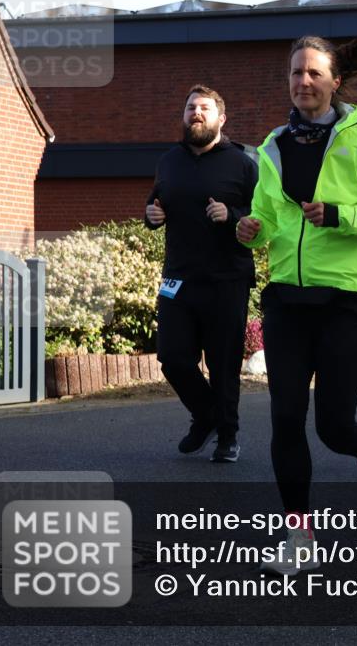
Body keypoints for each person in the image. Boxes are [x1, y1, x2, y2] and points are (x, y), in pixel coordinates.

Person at [235, 33, 357, 575]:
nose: (303, 82)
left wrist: (340, 215)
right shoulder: (272, 146)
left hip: (346, 298)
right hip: (287, 296)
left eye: (314, 73)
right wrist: (250, 230)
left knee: (334, 425)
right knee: (286, 418)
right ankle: (299, 536)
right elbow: (266, 220)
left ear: (335, 81)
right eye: (295, 74)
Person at [144, 85, 256, 463]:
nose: (196, 113)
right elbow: (156, 201)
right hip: (179, 278)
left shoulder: (243, 163)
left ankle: (227, 434)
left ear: (221, 119)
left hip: (227, 279)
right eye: (191, 106)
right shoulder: (169, 161)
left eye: (204, 108)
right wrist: (151, 216)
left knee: (224, 364)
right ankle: (206, 415)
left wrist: (234, 216)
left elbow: (266, 218)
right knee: (172, 356)